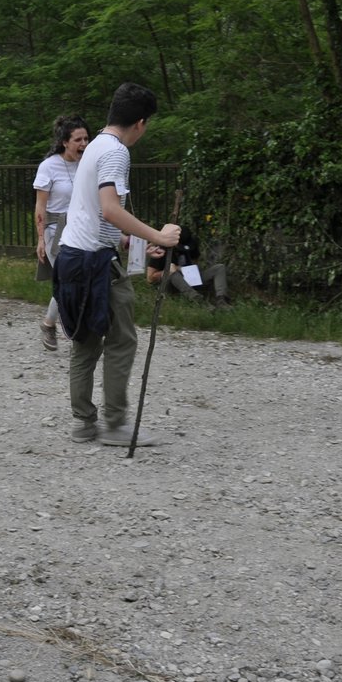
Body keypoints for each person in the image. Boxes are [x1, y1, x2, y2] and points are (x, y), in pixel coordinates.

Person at [54, 82, 179, 447]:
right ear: (140, 123)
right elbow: (111, 207)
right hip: (96, 263)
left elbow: (98, 214)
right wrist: (158, 235)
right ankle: (116, 425)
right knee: (122, 339)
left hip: (72, 256)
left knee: (85, 341)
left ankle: (83, 424)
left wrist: (130, 239)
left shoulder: (94, 147)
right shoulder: (116, 152)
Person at [33, 116, 89, 350]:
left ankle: (51, 323)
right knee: (68, 279)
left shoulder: (87, 163)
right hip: (55, 230)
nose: (84, 143)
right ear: (65, 142)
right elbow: (40, 206)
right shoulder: (49, 166)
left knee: (81, 279)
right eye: (78, 139)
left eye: (86, 138)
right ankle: (63, 326)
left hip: (80, 229)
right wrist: (40, 239)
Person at [146, 224, 230, 306]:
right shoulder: (161, 250)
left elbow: (195, 259)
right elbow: (150, 278)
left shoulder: (191, 245)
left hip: (190, 278)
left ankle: (221, 300)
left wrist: (192, 271)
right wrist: (166, 271)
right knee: (173, 274)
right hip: (171, 283)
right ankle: (197, 300)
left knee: (219, 268)